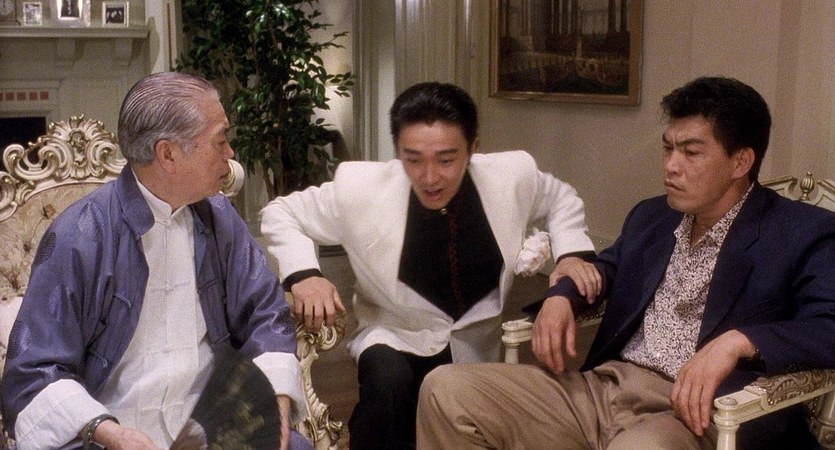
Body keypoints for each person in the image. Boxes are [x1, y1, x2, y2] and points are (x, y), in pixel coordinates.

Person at [417, 76, 835, 449]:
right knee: (445, 389)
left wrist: (738, 341)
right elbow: (607, 270)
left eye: (691, 152)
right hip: (604, 389)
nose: (670, 166)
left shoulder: (802, 231)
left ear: (741, 162)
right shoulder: (653, 216)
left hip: (698, 415)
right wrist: (561, 295)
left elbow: (828, 326)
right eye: (668, 148)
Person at [1, 72, 313, 450]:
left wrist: (274, 401)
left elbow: (266, 314)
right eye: (220, 141)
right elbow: (34, 372)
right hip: (111, 429)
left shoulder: (219, 218)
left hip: (209, 424)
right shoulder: (80, 234)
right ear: (168, 154)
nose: (230, 153)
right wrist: (110, 432)